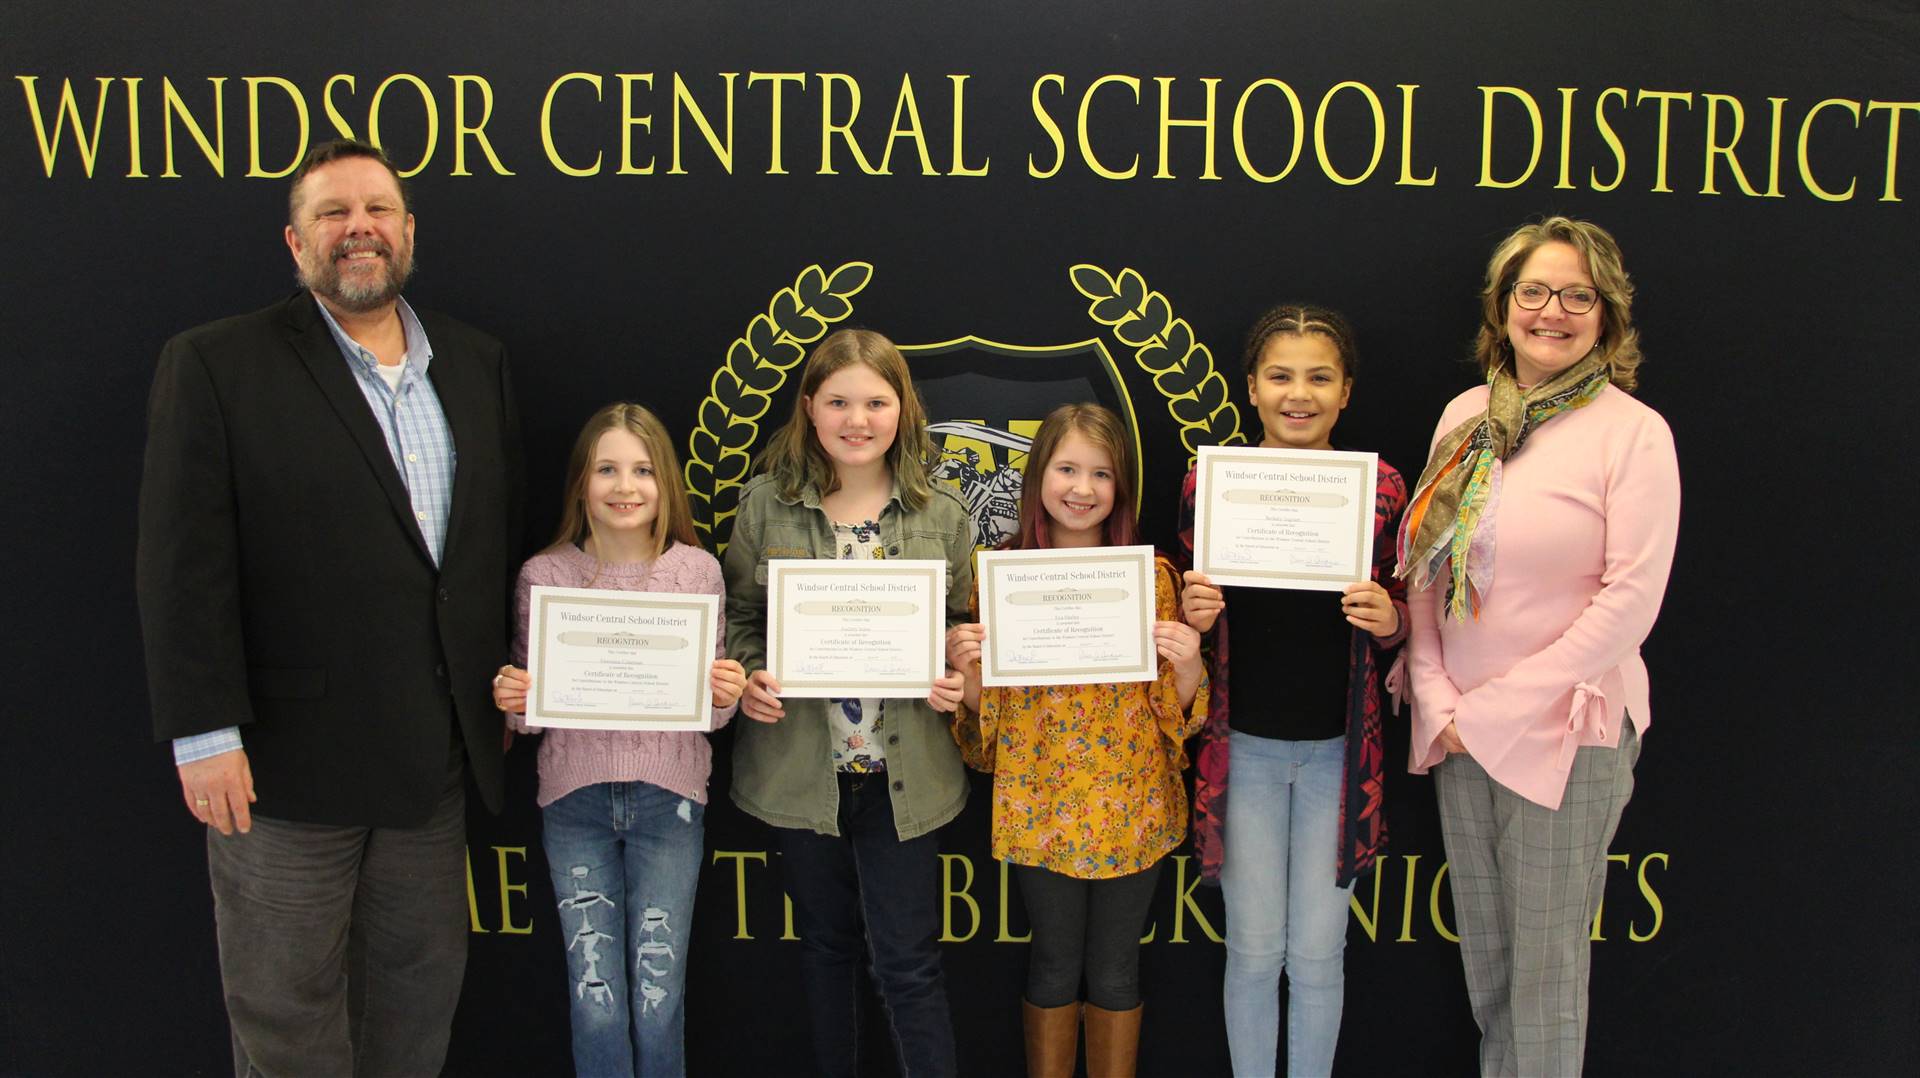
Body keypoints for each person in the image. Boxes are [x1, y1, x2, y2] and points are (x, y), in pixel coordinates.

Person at [136, 138, 524, 1074]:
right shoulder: (218, 365)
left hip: (430, 765)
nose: (359, 230)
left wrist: (498, 688)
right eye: (332, 215)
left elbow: (482, 553)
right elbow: (182, 564)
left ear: (408, 229)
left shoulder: (474, 363)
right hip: (281, 771)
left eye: (378, 211)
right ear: (294, 242)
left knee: (416, 993)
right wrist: (203, 734)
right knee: (285, 1010)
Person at [1399, 217, 1680, 1076]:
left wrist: (1491, 711)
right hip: (1457, 737)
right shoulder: (1467, 414)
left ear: (1606, 316)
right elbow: (1423, 567)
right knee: (1489, 964)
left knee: (1546, 976)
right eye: (1533, 291)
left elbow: (1627, 603)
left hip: (1564, 735)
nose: (1550, 311)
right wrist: (1437, 699)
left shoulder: (1632, 433)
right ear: (1503, 306)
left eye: (1576, 295)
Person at [720, 328, 973, 1078]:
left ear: (904, 410)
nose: (856, 419)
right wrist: (754, 673)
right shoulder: (765, 507)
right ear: (810, 407)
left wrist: (959, 672)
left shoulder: (944, 515)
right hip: (803, 776)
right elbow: (735, 617)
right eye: (837, 401)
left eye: (875, 401)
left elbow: (961, 626)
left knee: (909, 964)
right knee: (826, 955)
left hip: (907, 779)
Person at [1176, 306, 1407, 1078]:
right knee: (1251, 950)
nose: (1297, 394)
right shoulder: (1210, 485)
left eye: (1318, 377)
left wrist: (1390, 618)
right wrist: (1193, 613)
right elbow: (1185, 624)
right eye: (1279, 376)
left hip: (1339, 757)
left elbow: (1413, 617)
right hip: (1241, 753)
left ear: (1346, 393)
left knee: (1316, 956)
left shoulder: (1380, 490)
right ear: (1250, 388)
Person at [946, 403, 1206, 1078]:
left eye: (1101, 474)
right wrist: (968, 674)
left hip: (1133, 806)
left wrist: (1189, 666)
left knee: (1117, 970)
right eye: (1066, 469)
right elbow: (984, 730)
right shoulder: (999, 575)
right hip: (1042, 807)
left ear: (1121, 488)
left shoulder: (1151, 580)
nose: (1082, 488)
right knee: (1054, 961)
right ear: (1038, 478)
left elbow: (1175, 717)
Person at [490, 402, 745, 1076]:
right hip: (574, 803)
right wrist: (515, 700)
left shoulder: (697, 573)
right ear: (580, 482)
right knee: (594, 996)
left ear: (666, 484)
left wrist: (724, 696)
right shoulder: (544, 577)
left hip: (671, 800)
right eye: (606, 469)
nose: (625, 487)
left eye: (641, 470)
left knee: (658, 997)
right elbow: (529, 710)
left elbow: (712, 715)